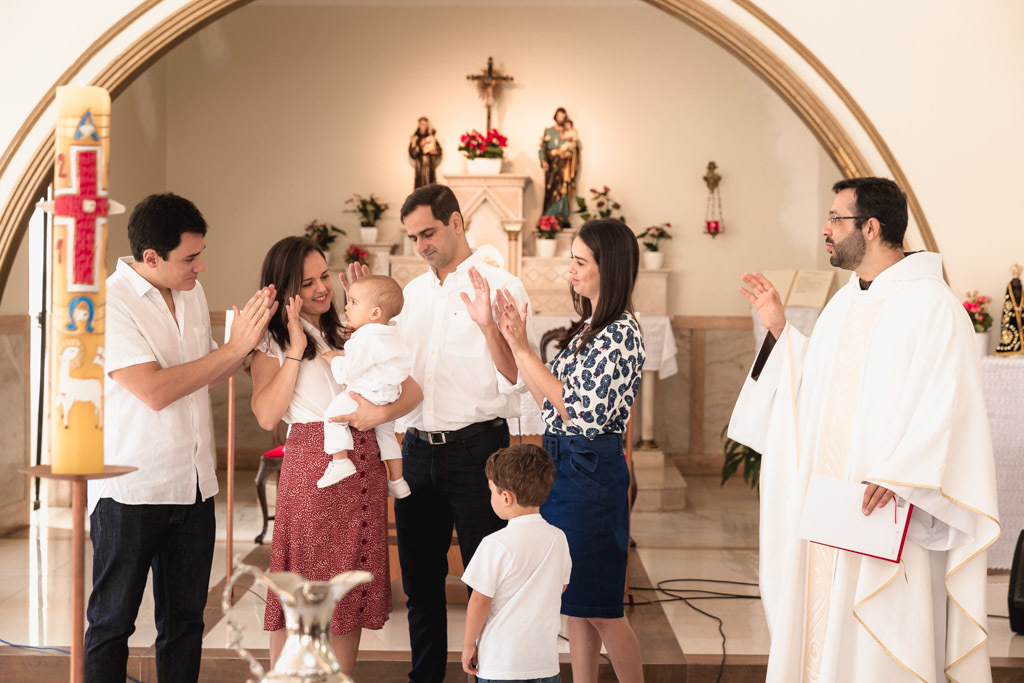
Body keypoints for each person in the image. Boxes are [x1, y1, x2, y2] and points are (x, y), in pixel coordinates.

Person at [728, 177, 999, 682]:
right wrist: (782, 333)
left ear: (871, 227)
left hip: (890, 511)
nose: (825, 229)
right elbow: (821, 393)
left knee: (880, 651)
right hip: (835, 516)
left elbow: (950, 407)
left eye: (836, 218)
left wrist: (902, 475)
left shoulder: (933, 307)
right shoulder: (843, 304)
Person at [344, 182, 534, 682]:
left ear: (456, 222)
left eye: (427, 232)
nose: (421, 244)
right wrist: (362, 314)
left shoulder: (504, 286)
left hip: (478, 452)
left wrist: (491, 325)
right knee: (421, 584)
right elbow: (388, 370)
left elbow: (515, 377)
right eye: (412, 238)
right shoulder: (410, 296)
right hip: (417, 453)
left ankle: (488, 676)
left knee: (485, 581)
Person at [86, 192, 277, 683]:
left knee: (186, 623)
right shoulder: (111, 302)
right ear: (150, 257)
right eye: (190, 258)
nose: (201, 267)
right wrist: (232, 348)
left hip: (193, 487)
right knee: (112, 624)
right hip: (131, 489)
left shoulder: (190, 291)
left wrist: (254, 346)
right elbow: (153, 390)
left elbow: (203, 375)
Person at [249, 236, 423, 673]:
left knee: (347, 582)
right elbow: (267, 413)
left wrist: (378, 411)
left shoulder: (349, 328)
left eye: (324, 275)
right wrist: (293, 347)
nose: (322, 289)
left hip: (360, 460)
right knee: (300, 582)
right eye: (307, 283)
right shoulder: (270, 341)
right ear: (286, 290)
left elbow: (413, 391)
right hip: (311, 465)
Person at [490, 219, 646, 683]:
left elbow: (574, 407)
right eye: (571, 260)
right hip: (566, 465)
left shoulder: (620, 332)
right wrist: (508, 341)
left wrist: (522, 346)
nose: (570, 270)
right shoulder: (588, 329)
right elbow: (545, 398)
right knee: (576, 603)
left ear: (609, 268)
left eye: (580, 262)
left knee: (602, 607)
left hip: (591, 470)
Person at [461, 444, 571, 683]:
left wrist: (469, 644)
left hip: (501, 665)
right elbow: (560, 586)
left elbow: (479, 600)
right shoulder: (559, 538)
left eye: (491, 490)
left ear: (506, 497)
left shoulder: (495, 544)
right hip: (545, 665)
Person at [316, 274, 412, 498]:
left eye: (354, 302)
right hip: (390, 394)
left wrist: (333, 360)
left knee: (332, 416)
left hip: (368, 393)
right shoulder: (390, 332)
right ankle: (397, 481)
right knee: (386, 435)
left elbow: (347, 371)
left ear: (375, 313)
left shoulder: (366, 337)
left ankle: (340, 462)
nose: (347, 307)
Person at [538, 107, 578, 225]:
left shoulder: (568, 132)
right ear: (555, 116)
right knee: (551, 188)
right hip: (552, 164)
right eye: (559, 116)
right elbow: (542, 148)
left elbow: (573, 147)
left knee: (563, 187)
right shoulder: (549, 131)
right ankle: (549, 215)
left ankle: (561, 214)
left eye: (563, 116)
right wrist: (543, 160)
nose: (560, 118)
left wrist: (569, 153)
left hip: (564, 165)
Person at [409, 116, 442, 189]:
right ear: (419, 125)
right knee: (420, 186)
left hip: (430, 164)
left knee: (430, 186)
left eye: (425, 124)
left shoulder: (431, 137)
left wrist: (435, 152)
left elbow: (439, 150)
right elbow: (412, 153)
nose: (423, 126)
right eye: (422, 124)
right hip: (420, 166)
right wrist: (420, 146)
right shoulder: (416, 138)